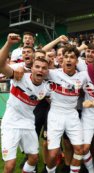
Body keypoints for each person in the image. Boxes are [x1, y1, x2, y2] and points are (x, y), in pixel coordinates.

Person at [0, 33, 49, 173]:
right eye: (37, 67)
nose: (40, 70)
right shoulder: (19, 76)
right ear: (31, 68)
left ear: (47, 72)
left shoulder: (46, 88)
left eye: (43, 68)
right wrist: (9, 44)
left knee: (33, 158)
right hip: (11, 123)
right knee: (10, 165)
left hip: (28, 123)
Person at [45, 45, 89, 173]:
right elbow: (35, 67)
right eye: (66, 57)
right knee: (53, 154)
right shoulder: (52, 74)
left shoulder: (83, 76)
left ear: (77, 61)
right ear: (61, 60)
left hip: (72, 115)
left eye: (72, 57)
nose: (69, 60)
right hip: (55, 114)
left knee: (79, 150)